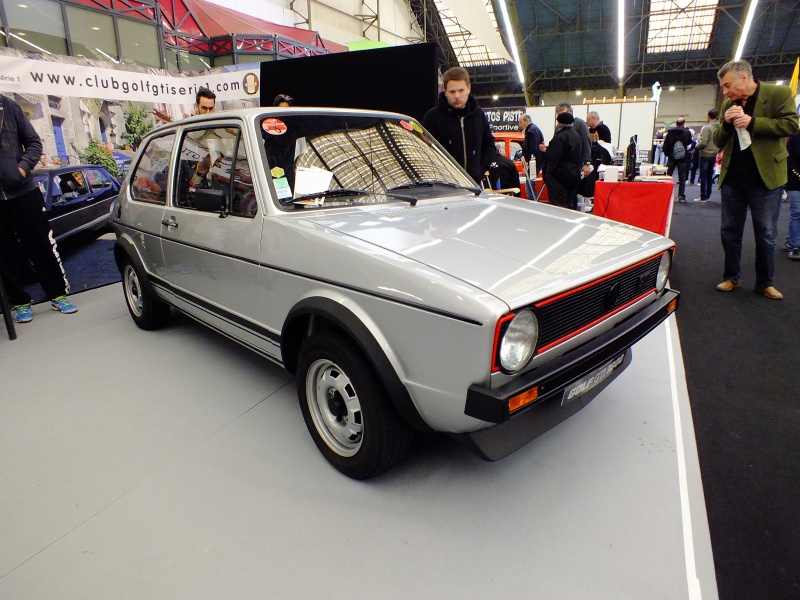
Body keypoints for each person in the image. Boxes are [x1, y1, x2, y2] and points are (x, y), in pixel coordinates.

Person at [712, 59, 799, 299]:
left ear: (744, 77)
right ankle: (731, 277)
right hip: (733, 178)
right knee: (729, 231)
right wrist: (727, 124)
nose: (725, 91)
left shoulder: (778, 93)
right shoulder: (728, 104)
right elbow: (718, 140)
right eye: (722, 87)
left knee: (766, 234)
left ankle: (765, 282)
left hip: (765, 179)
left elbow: (792, 125)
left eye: (727, 85)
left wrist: (754, 123)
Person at [0, 93, 78, 323]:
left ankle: (57, 295)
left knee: (40, 245)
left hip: (23, 192)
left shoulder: (8, 106)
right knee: (4, 253)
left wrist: (21, 170)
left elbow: (34, 143)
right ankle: (21, 302)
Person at [423, 67, 497, 185]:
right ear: (445, 91)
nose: (457, 96)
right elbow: (425, 152)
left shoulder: (479, 115)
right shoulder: (432, 118)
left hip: (474, 186)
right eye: (452, 92)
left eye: (461, 90)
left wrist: (480, 170)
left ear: (469, 88)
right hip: (443, 188)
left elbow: (490, 145)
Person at [541, 111, 583, 210]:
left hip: (559, 178)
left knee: (559, 207)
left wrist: (547, 175)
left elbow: (553, 158)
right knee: (570, 205)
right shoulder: (578, 137)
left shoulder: (559, 138)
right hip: (574, 175)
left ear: (559, 124)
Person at [663, 117, 692, 202]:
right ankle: (681, 196)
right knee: (682, 177)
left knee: (668, 176)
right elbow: (690, 142)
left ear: (676, 123)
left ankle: (665, 194)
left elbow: (665, 145)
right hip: (683, 157)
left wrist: (668, 154)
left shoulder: (670, 132)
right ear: (684, 124)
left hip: (671, 157)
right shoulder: (687, 132)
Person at [783, 123, 800, 260]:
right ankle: (794, 246)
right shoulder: (795, 137)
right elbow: (789, 159)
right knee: (797, 212)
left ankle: (790, 240)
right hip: (795, 182)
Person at [695, 109, 720, 202]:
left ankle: (703, 196)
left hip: (705, 154)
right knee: (710, 175)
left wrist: (697, 146)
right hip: (714, 154)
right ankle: (708, 195)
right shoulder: (719, 127)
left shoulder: (707, 128)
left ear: (708, 116)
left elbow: (703, 142)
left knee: (703, 175)